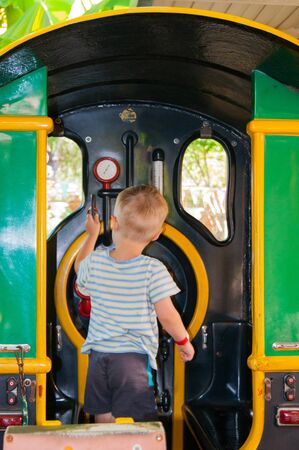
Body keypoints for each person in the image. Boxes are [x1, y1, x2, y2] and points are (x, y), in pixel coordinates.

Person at [74, 185, 195, 423]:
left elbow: (79, 267)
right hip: (133, 360)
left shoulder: (96, 261)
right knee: (138, 423)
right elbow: (167, 315)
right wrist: (183, 341)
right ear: (156, 234)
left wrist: (91, 235)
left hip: (99, 358)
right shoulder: (153, 270)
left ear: (113, 223)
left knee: (103, 416)